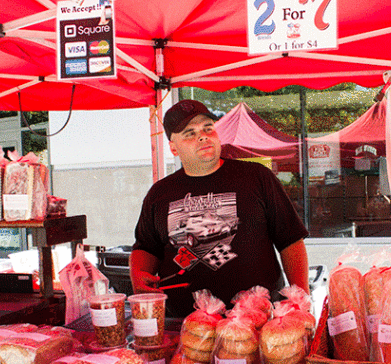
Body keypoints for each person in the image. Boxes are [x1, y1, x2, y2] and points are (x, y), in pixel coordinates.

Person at [130, 99, 309, 319]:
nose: (203, 136)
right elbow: (146, 247)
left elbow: (290, 240)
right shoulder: (159, 193)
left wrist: (301, 301)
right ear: (173, 147)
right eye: (189, 133)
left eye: (208, 128)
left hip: (259, 321)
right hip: (186, 325)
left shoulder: (256, 176)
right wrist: (137, 275)